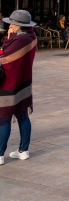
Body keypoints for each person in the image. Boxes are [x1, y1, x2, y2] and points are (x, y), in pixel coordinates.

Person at [0, 10, 37, 165]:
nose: (9, 26)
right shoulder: (31, 37)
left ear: (16, 25)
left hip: (9, 84)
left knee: (3, 118)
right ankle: (23, 151)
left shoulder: (18, 40)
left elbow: (4, 58)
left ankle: (0, 154)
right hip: (24, 82)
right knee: (23, 116)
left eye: (11, 24)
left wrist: (9, 39)